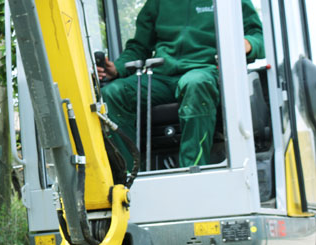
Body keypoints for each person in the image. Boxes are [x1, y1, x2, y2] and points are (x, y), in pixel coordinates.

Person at [97, 0, 264, 169]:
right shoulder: (158, 3)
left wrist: (249, 44)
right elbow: (139, 46)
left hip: (204, 69)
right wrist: (117, 68)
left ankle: (193, 170)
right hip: (162, 76)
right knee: (113, 93)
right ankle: (128, 174)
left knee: (195, 83)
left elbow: (258, 36)